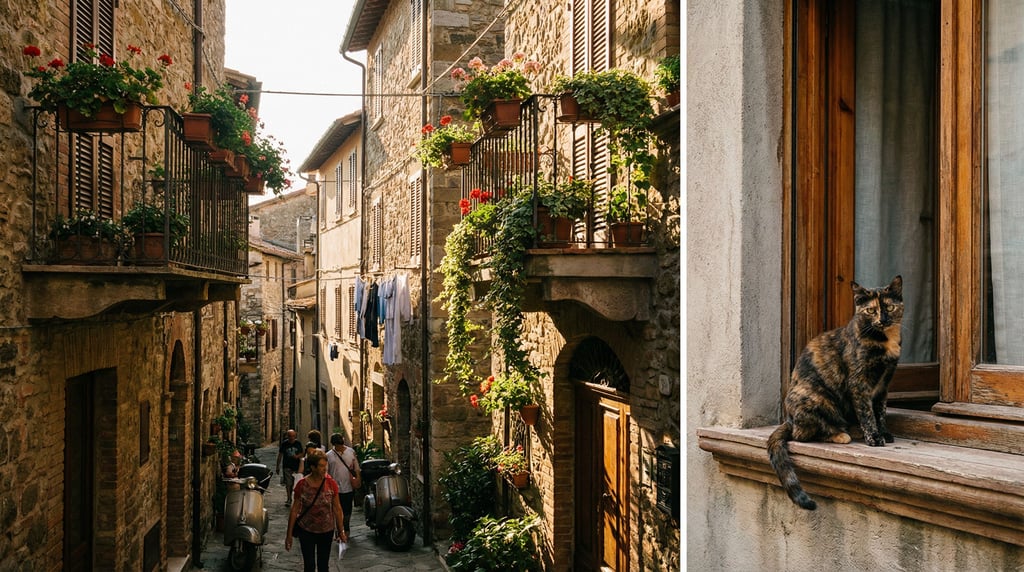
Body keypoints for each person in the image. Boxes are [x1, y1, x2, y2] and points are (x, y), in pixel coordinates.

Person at [285, 450, 347, 572]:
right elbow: (294, 510)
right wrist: (289, 535)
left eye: (326, 465)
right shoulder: (302, 485)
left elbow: (337, 508)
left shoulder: (331, 484)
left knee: (323, 565)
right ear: (312, 467)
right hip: (306, 530)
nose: (325, 469)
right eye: (321, 466)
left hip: (326, 530)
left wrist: (341, 530)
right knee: (309, 565)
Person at [325, 432, 361, 537]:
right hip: (334, 488)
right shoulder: (328, 455)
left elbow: (356, 468)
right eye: (337, 446)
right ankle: (340, 530)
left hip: (348, 486)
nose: (339, 448)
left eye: (340, 445)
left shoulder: (351, 452)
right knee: (336, 510)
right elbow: (326, 472)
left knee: (347, 510)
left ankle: (346, 526)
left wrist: (358, 479)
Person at [276, 430, 303, 504]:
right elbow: (280, 455)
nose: (291, 438)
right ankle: (289, 498)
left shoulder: (298, 443)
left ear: (295, 436)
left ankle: (296, 498)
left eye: (293, 436)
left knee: (296, 483)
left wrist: (297, 456)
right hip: (287, 466)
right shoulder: (284, 444)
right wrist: (277, 466)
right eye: (290, 436)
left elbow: (302, 453)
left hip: (296, 466)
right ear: (287, 436)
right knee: (288, 483)